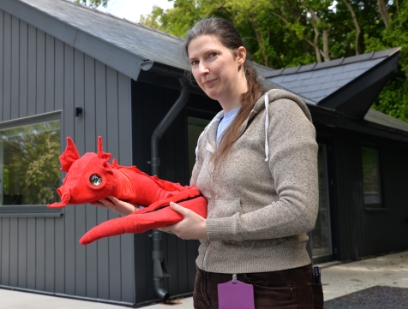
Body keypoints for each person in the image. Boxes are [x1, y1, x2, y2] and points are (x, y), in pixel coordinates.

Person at [96, 17, 323, 309]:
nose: (202, 69)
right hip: (210, 281)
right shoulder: (209, 133)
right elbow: (199, 214)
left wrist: (208, 229)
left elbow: (299, 211)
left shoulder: (279, 114)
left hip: (273, 285)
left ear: (239, 55)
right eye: (194, 62)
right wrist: (137, 212)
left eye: (211, 56)